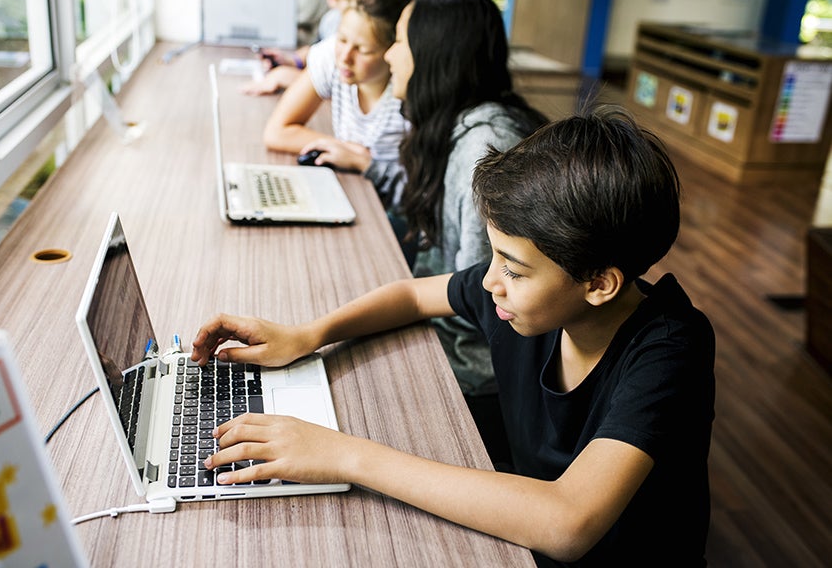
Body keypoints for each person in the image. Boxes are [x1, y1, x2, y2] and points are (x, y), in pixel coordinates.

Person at [191, 106, 716, 566]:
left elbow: (568, 522)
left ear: (598, 283)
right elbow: (415, 295)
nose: (489, 282)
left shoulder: (671, 349)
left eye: (513, 268)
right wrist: (308, 334)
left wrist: (345, 456)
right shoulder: (526, 298)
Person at [384, 0, 548, 464]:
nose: (391, 55)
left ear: (435, 54)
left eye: (400, 41)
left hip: (476, 379)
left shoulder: (484, 147)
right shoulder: (458, 127)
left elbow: (487, 301)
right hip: (450, 342)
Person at [262, 0, 412, 209]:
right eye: (342, 39)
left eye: (362, 49)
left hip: (394, 210)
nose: (344, 56)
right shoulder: (332, 57)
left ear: (393, 49)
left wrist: (362, 162)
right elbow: (276, 132)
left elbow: (418, 194)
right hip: (352, 193)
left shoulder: (407, 91)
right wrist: (346, 150)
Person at [245, 0, 386, 96]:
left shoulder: (347, 22)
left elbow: (341, 84)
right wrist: (293, 61)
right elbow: (322, 50)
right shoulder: (332, 20)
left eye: (363, 49)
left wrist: (291, 77)